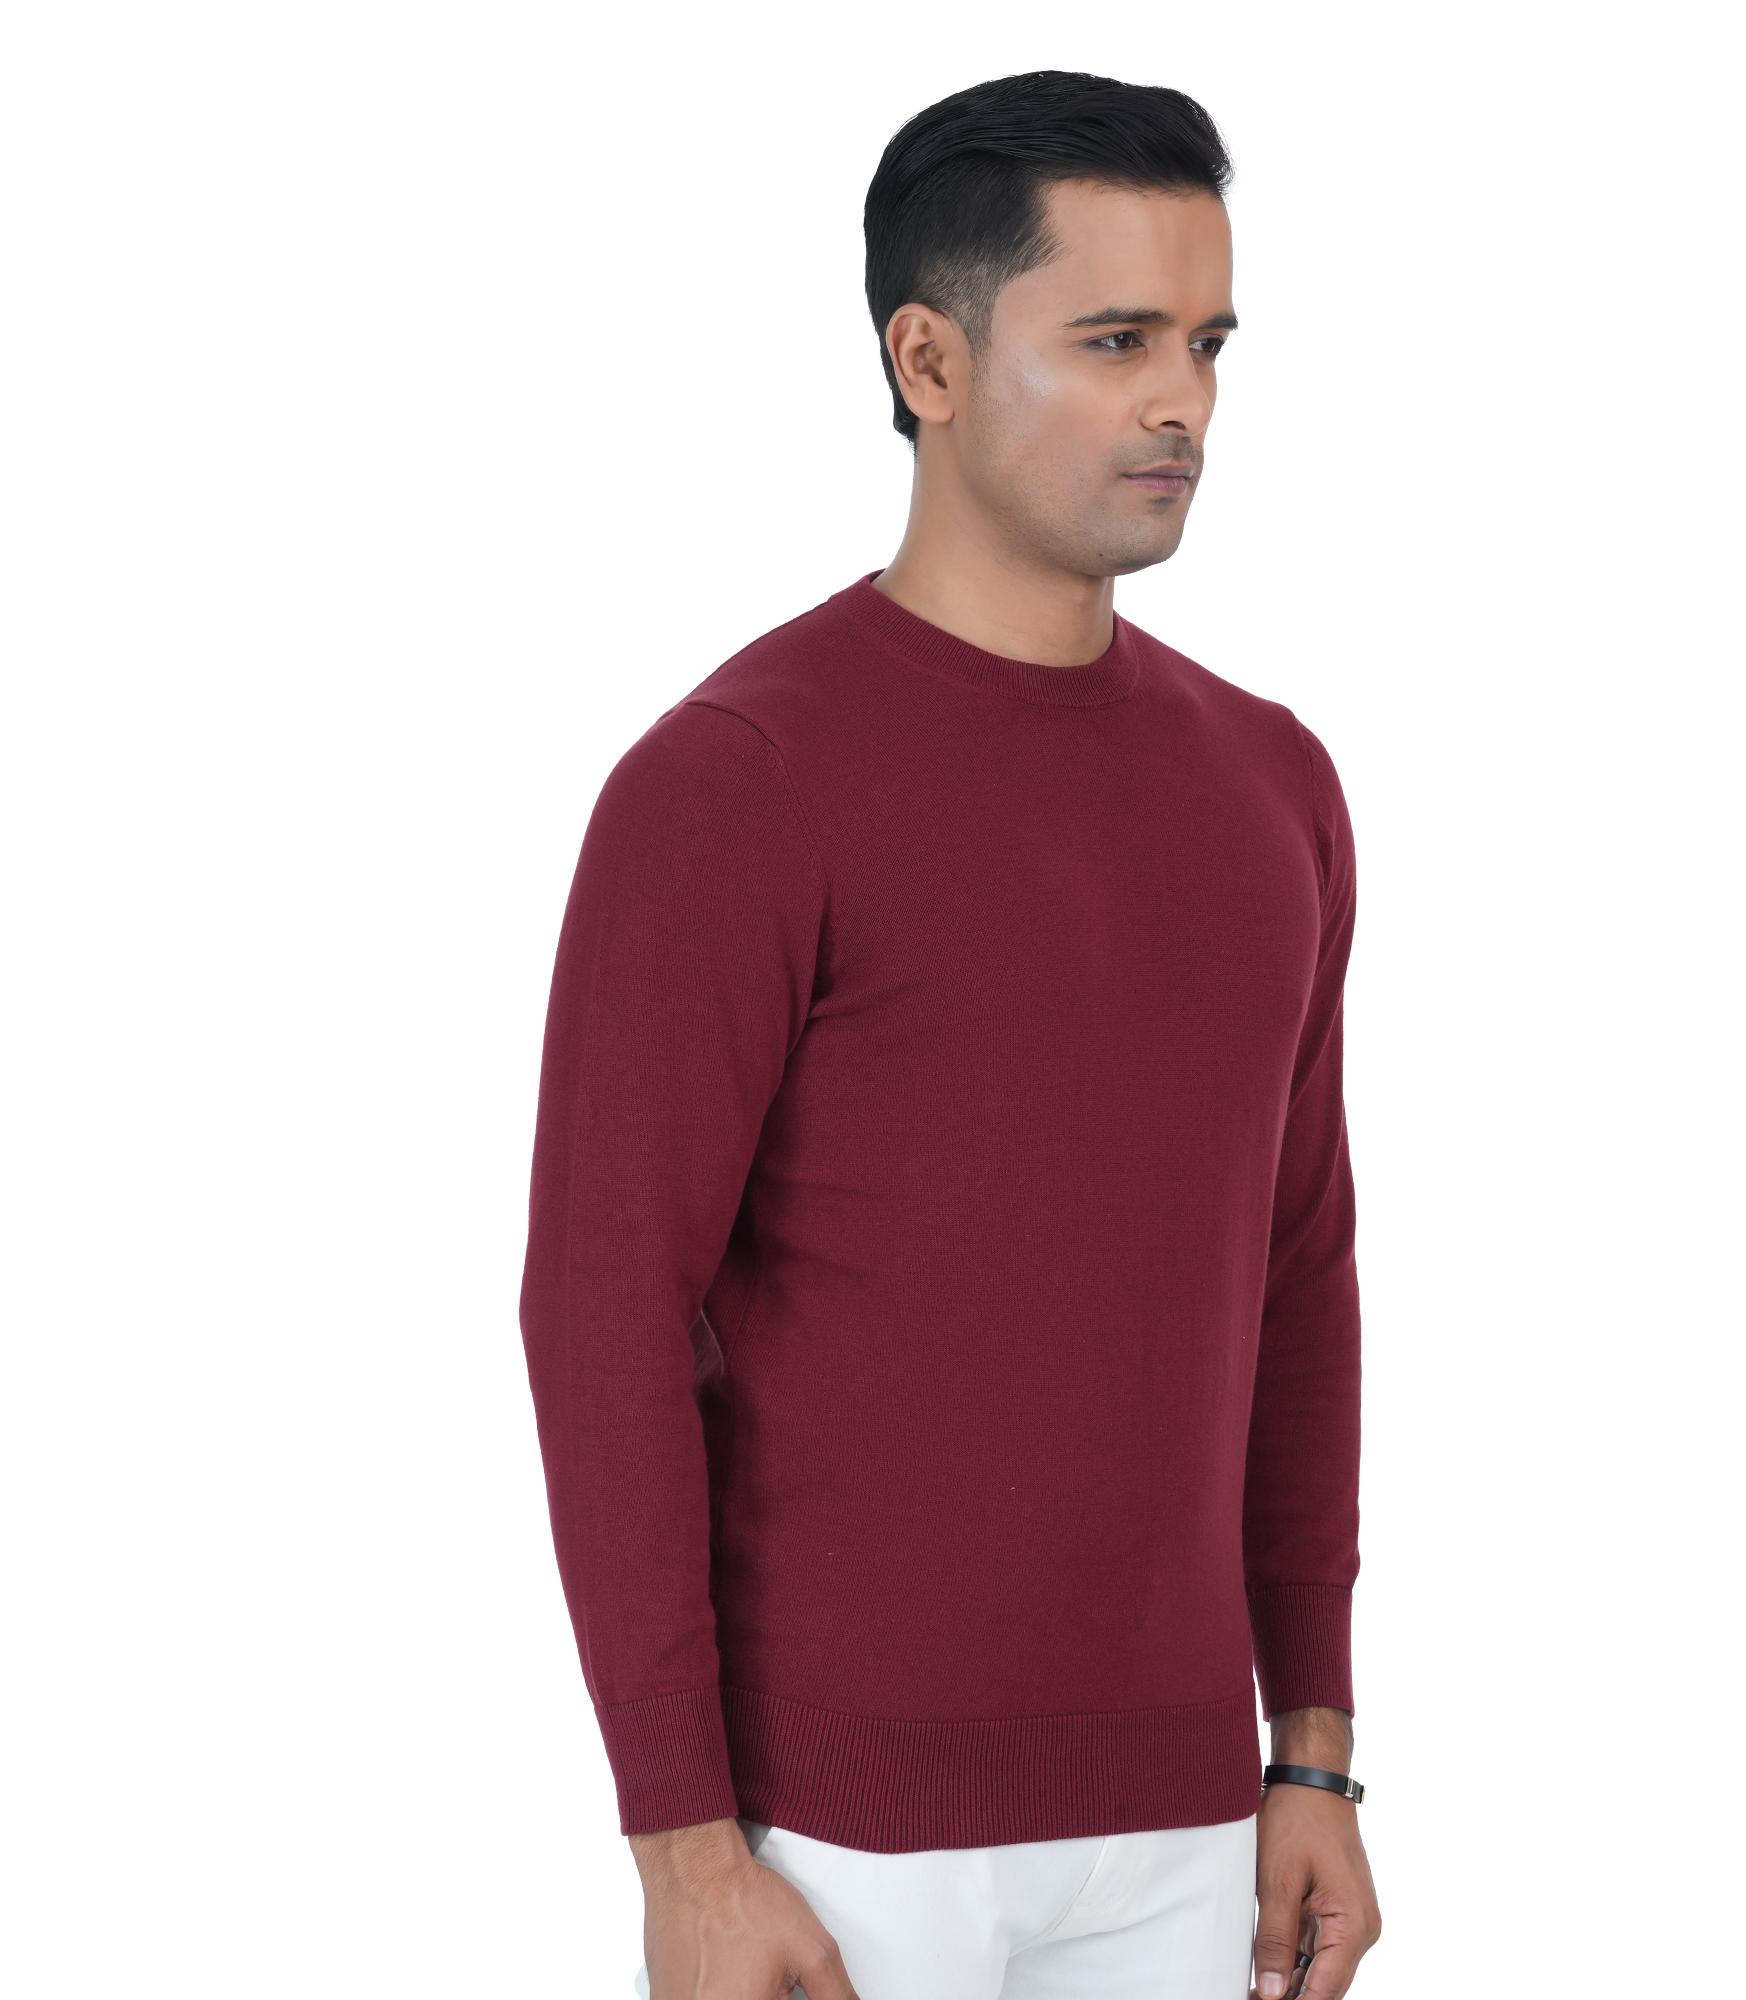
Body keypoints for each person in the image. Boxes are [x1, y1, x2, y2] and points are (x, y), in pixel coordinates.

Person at [518, 69, 1381, 2000]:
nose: (1184, 402)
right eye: (1116, 340)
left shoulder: (1274, 786)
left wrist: (1310, 1748)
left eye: (1209, 342)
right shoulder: (738, 782)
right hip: (838, 1845)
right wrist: (684, 1851)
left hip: (1189, 1829)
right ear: (927, 358)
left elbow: (1299, 1270)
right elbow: (601, 1311)